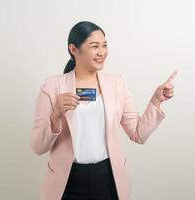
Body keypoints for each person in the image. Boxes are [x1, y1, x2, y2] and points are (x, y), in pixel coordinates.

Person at [30, 21, 177, 200]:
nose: (102, 52)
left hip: (109, 178)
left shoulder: (117, 83)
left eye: (104, 45)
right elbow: (37, 147)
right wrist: (55, 116)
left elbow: (138, 134)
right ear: (73, 49)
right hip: (66, 181)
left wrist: (156, 102)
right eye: (94, 46)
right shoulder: (52, 86)